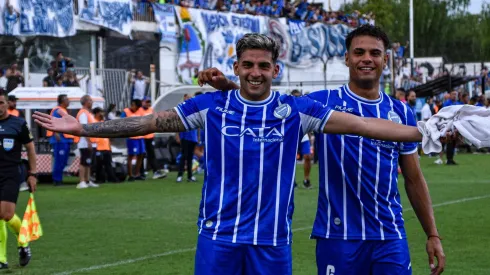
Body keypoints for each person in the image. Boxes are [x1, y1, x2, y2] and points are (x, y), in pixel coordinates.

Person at [33, 33, 432, 275]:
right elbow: (149, 122)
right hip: (218, 239)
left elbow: (363, 124)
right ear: (236, 67)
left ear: (275, 70)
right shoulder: (210, 107)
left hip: (272, 244)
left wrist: (424, 130)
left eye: (264, 65)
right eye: (248, 64)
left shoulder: (297, 110)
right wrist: (82, 127)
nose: (256, 71)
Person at [197, 26, 445, 275]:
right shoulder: (322, 102)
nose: (367, 58)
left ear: (385, 59)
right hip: (337, 236)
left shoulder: (402, 112)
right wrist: (230, 86)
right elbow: (268, 104)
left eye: (375, 52)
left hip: (389, 235)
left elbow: (413, 178)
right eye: (359, 52)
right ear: (347, 58)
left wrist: (432, 233)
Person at [0, 91, 37, 269]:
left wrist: (33, 174)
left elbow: (30, 149)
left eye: (1, 103)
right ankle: (1, 259)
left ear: (8, 104)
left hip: (11, 173)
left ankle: (23, 241)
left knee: (6, 214)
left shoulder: (18, 124)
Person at [47, 94, 75, 186]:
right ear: (62, 101)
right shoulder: (58, 110)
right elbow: (54, 122)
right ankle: (57, 180)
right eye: (67, 99)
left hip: (65, 139)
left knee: (63, 161)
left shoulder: (64, 110)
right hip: (60, 140)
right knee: (59, 160)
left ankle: (58, 178)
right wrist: (56, 134)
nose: (69, 101)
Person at [73, 95, 99, 189]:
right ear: (86, 102)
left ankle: (87, 180)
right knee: (84, 162)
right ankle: (81, 181)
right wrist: (88, 142)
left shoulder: (88, 113)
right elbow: (84, 128)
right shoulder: (83, 113)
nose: (92, 103)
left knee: (88, 162)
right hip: (84, 143)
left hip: (91, 142)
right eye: (91, 101)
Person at [140, 97, 167, 180]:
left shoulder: (150, 110)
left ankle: (155, 171)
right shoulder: (140, 110)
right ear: (142, 102)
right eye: (147, 101)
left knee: (151, 154)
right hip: (141, 136)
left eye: (149, 101)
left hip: (149, 136)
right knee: (141, 155)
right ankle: (141, 173)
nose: (148, 103)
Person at [290, 89, 312, 189]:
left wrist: (310, 136)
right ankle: (292, 181)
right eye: (295, 97)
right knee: (290, 160)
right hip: (291, 137)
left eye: (299, 97)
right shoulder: (288, 109)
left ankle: (306, 180)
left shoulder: (305, 109)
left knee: (307, 157)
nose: (297, 99)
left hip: (304, 138)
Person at [121, 99, 146, 181]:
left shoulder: (140, 111)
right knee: (131, 155)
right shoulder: (126, 112)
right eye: (132, 104)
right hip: (132, 138)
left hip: (140, 137)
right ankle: (130, 175)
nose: (132, 106)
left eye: (134, 105)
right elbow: (121, 122)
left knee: (141, 155)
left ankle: (137, 173)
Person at [92, 107, 119, 183]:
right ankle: (99, 179)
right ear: (97, 113)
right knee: (99, 165)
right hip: (98, 147)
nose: (102, 114)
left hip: (106, 147)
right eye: (101, 112)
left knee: (108, 164)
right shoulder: (93, 122)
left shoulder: (103, 122)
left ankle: (112, 178)